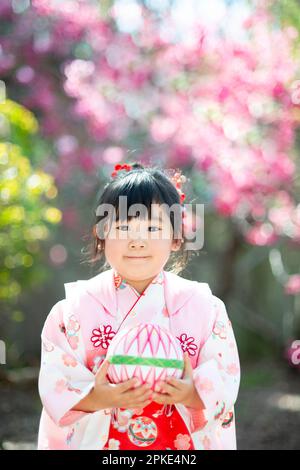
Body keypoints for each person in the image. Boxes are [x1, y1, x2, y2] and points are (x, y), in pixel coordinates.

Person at [37, 162, 241, 450]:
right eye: (122, 227)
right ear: (101, 234)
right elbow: (56, 381)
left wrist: (191, 393)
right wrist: (99, 396)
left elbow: (225, 377)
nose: (137, 241)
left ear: (175, 238)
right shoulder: (72, 310)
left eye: (152, 227)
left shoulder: (204, 307)